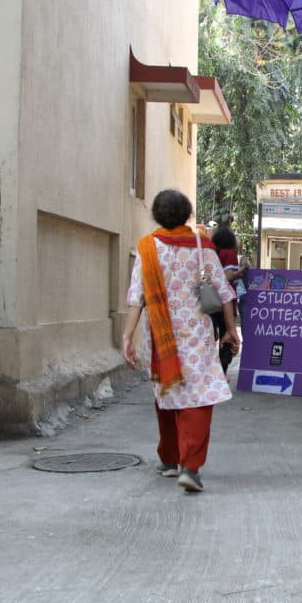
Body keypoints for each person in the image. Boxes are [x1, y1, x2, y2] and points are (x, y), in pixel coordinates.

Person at [121, 189, 240, 493]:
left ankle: (170, 459)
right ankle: (190, 467)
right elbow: (224, 292)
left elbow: (138, 297)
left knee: (169, 393)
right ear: (187, 214)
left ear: (157, 216)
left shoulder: (148, 248)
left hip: (160, 339)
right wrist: (230, 330)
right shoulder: (203, 246)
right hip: (197, 338)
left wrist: (127, 336)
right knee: (198, 400)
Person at [210, 226, 248, 374]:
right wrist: (241, 272)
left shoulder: (212, 254)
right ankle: (222, 372)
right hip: (225, 304)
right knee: (227, 338)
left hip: (209, 302)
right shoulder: (229, 254)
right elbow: (227, 277)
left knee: (211, 336)